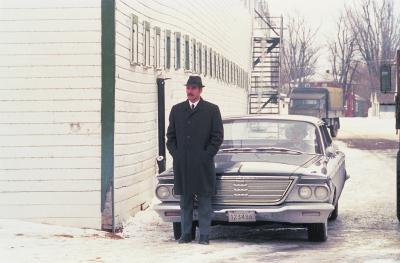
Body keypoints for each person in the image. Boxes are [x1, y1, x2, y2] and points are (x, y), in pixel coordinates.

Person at [166, 75, 224, 245]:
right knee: (185, 201)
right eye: (188, 88)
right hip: (182, 163)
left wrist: (207, 155)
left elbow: (217, 137)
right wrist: (176, 154)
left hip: (203, 164)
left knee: (205, 201)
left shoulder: (212, 110)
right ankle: (185, 234)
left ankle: (204, 235)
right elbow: (170, 137)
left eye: (193, 88)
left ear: (200, 90)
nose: (190, 91)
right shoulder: (176, 110)